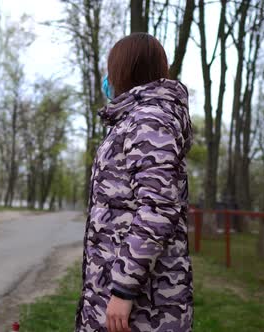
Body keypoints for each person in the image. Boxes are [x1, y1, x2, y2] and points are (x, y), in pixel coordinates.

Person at [75, 32, 193, 332]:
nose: (107, 77)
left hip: (141, 305)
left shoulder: (149, 120)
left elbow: (158, 208)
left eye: (111, 68)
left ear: (124, 69)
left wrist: (123, 289)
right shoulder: (133, 120)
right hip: (119, 291)